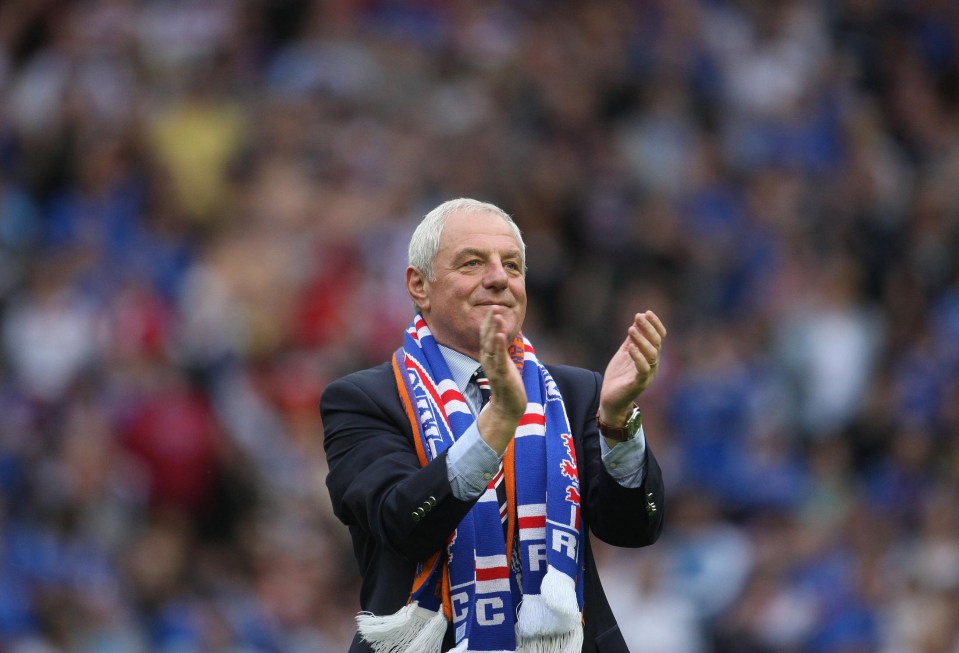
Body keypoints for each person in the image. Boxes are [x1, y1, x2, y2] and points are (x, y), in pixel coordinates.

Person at [321, 198, 667, 653]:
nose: (499, 278)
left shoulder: (579, 393)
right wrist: (493, 428)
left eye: (512, 265)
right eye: (472, 263)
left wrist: (618, 425)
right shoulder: (362, 400)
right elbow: (401, 524)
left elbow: (634, 530)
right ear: (418, 286)